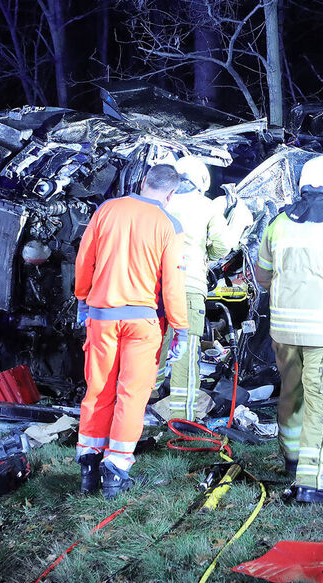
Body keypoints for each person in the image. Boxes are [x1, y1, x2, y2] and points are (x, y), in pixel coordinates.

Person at [73, 163, 188, 499]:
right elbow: (173, 283)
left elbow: (85, 259)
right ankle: (116, 470)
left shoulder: (107, 210)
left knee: (98, 390)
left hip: (102, 317)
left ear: (143, 181)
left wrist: (83, 298)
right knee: (131, 395)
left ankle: (89, 466)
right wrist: (180, 328)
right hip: (142, 322)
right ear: (171, 193)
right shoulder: (168, 223)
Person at [254, 154, 323, 504]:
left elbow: (263, 274)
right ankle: (312, 482)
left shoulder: (277, 224)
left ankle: (292, 457)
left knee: (291, 392)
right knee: (321, 402)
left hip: (283, 330)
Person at [153, 156, 254, 421]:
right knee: (185, 350)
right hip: (188, 287)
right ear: (202, 181)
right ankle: (181, 414)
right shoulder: (205, 206)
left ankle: (146, 397)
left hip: (154, 287)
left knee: (154, 342)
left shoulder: (160, 202)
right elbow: (221, 247)